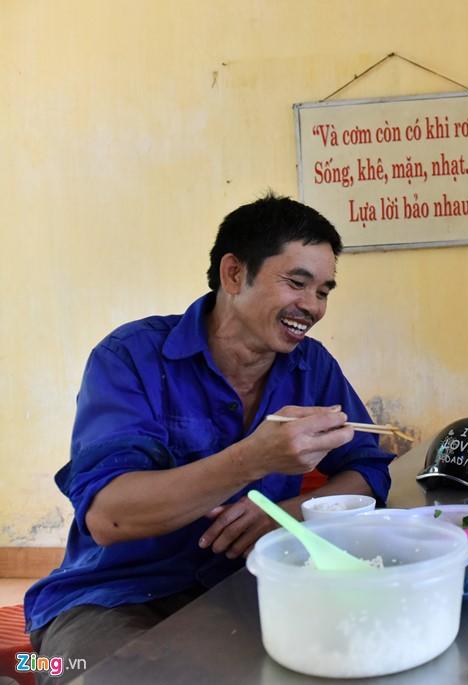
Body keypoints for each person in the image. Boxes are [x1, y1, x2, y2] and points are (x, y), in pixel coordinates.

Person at [23, 192, 395, 681]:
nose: (312, 306)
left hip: (251, 586)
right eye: (296, 283)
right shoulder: (131, 357)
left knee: (370, 650)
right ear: (234, 274)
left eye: (324, 290)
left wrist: (286, 514)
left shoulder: (311, 366)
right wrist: (253, 459)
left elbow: (367, 469)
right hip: (110, 597)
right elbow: (109, 517)